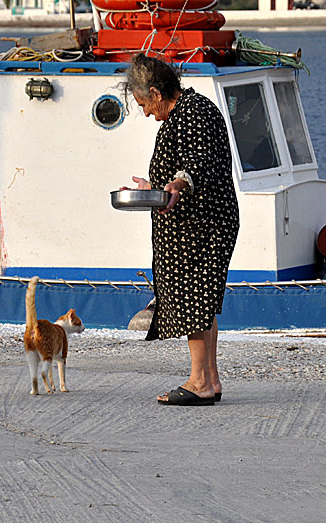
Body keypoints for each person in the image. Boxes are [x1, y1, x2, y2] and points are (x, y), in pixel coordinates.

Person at [121, 54, 239, 406]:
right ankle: (211, 380)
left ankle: (199, 381)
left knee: (195, 299)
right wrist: (155, 185)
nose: (144, 112)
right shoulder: (183, 112)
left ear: (156, 93)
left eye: (143, 104)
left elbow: (197, 162)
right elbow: (186, 164)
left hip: (202, 226)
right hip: (193, 224)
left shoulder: (193, 112)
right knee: (200, 300)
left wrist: (177, 184)